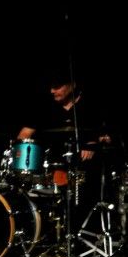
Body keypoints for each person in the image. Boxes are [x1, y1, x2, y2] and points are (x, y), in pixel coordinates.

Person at [16, 70, 111, 241]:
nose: (52, 91)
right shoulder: (45, 107)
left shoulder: (93, 107)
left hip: (87, 170)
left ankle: (84, 235)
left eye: (57, 86)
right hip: (52, 167)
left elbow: (108, 137)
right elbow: (23, 135)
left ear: (72, 85)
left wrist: (92, 143)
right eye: (51, 87)